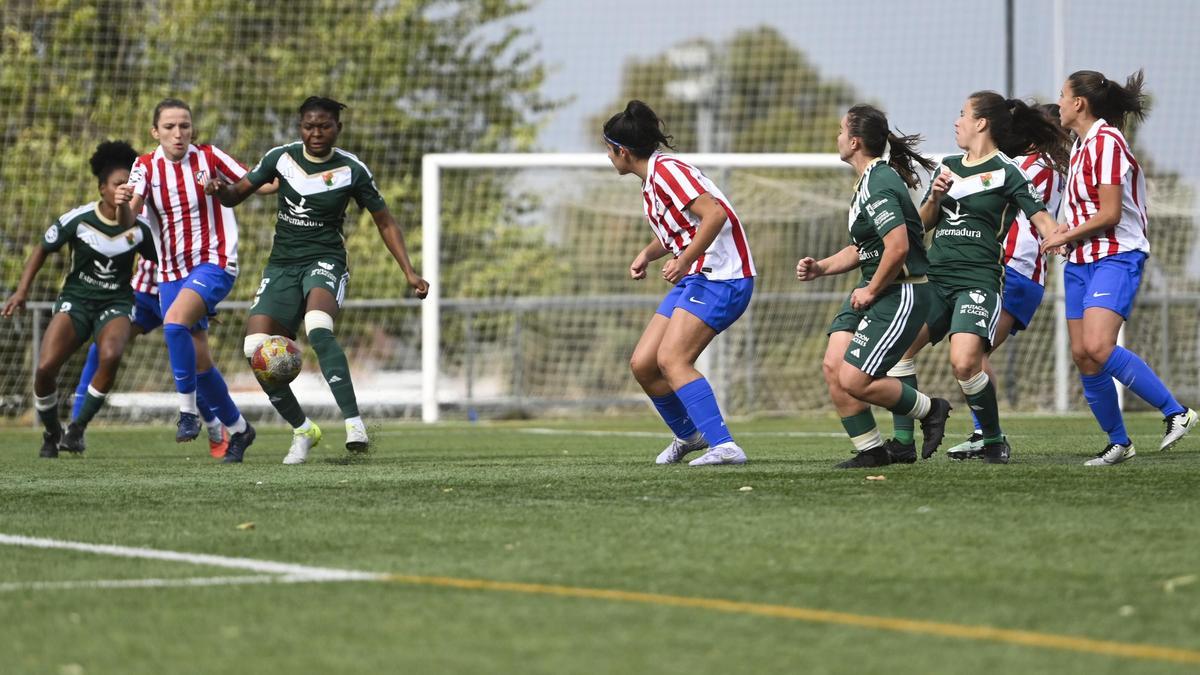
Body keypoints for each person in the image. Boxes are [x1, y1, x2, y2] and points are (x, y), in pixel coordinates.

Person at [207, 96, 428, 464]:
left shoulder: (352, 170)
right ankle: (302, 430)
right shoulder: (281, 157)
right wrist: (218, 188)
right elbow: (235, 196)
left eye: (324, 126)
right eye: (309, 126)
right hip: (281, 267)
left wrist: (409, 271)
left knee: (318, 325)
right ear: (300, 127)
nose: (316, 133)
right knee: (254, 349)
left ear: (337, 128)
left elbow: (384, 221)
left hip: (325, 261)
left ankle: (354, 423)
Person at [897, 92, 1065, 465]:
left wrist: (1060, 239)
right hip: (935, 280)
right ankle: (902, 443)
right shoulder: (948, 165)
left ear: (981, 123)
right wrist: (934, 199)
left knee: (965, 362)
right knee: (900, 352)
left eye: (962, 115)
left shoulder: (1009, 170)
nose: (956, 122)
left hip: (978, 281)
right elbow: (921, 225)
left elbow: (1041, 218)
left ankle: (992, 439)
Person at [1039, 69, 1195, 465]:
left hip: (1116, 256)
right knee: (1083, 354)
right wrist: (1065, 234)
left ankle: (1177, 412)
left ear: (1079, 103)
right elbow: (1086, 210)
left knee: (1098, 345)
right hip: (1080, 260)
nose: (1057, 102)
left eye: (1062, 95)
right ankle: (1119, 443)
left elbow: (1110, 214)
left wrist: (1063, 235)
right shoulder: (1080, 146)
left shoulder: (1107, 142)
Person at [115, 98, 273, 463]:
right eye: (169, 126)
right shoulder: (146, 166)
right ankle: (239, 430)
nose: (178, 133)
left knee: (173, 324)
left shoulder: (209, 156)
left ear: (192, 130)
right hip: (170, 271)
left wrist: (288, 178)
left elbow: (256, 182)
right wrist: (123, 202)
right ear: (156, 132)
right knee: (200, 364)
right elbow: (129, 220)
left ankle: (188, 413)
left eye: (184, 125)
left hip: (215, 262)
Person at [796, 105, 952, 468]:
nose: (836, 137)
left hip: (901, 291)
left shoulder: (879, 180)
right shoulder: (867, 181)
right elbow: (864, 248)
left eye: (840, 131)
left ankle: (931, 409)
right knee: (834, 366)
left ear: (854, 141)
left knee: (855, 378)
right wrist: (822, 268)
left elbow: (898, 247)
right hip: (875, 286)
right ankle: (871, 451)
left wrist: (870, 290)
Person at [605, 100, 754, 466]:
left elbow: (714, 214)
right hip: (697, 277)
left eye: (608, 150)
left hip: (722, 276)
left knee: (672, 359)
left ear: (622, 151)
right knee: (643, 363)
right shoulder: (652, 178)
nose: (608, 157)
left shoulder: (668, 171)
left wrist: (684, 259)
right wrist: (648, 253)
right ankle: (690, 435)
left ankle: (725, 446)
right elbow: (680, 228)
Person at [2, 141, 157, 457]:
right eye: (117, 184)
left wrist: (192, 307)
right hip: (76, 301)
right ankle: (51, 431)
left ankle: (77, 429)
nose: (123, 189)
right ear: (102, 189)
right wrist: (21, 291)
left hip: (115, 303)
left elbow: (168, 267)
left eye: (128, 184)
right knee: (45, 369)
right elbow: (42, 250)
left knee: (111, 355)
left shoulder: (139, 230)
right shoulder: (79, 219)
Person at [945, 103, 1068, 459]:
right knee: (974, 356)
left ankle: (989, 437)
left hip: (1014, 269)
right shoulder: (1055, 167)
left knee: (972, 356)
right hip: (1022, 272)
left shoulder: (1026, 168)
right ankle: (985, 434)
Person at [70, 258, 230, 459]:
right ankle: (75, 428)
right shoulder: (141, 226)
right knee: (101, 347)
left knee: (195, 364)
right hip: (144, 294)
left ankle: (215, 426)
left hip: (182, 292)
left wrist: (205, 299)